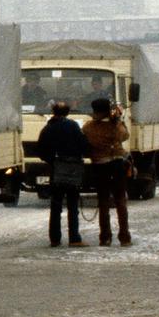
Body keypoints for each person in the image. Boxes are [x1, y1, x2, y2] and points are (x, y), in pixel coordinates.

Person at [35, 100, 90, 248]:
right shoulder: (72, 126)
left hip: (56, 169)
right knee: (72, 205)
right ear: (67, 112)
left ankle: (55, 239)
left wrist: (52, 161)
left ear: (53, 112)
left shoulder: (47, 128)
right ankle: (74, 238)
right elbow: (84, 145)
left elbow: (41, 150)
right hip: (72, 169)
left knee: (56, 205)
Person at [84, 97, 131, 247]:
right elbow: (125, 136)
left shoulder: (89, 127)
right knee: (120, 201)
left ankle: (105, 236)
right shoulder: (114, 125)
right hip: (117, 164)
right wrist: (118, 120)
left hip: (99, 165)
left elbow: (85, 140)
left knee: (103, 201)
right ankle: (124, 236)